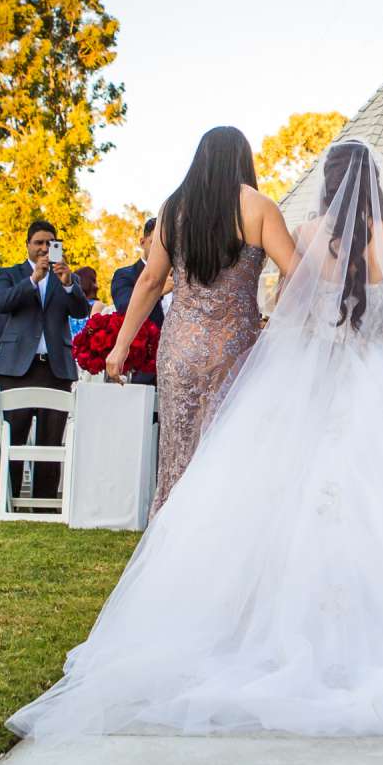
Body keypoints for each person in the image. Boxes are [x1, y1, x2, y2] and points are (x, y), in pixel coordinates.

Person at [11, 134, 383, 740]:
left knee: (286, 493)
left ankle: (268, 625)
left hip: (310, 369)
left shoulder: (302, 234)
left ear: (328, 186)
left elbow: (292, 305)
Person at [104, 127, 299, 514]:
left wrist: (121, 344)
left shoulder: (174, 208)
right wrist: (278, 324)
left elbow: (150, 281)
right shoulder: (259, 207)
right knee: (231, 451)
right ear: (242, 160)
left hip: (180, 349)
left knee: (179, 451)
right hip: (236, 351)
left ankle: (171, 537)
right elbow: (297, 270)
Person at [0, 220, 89, 502]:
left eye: (50, 243)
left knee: (51, 437)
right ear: (28, 245)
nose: (44, 248)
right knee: (14, 436)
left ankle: (44, 503)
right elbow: (2, 303)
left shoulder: (66, 277)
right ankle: (7, 501)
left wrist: (69, 283)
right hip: (17, 368)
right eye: (39, 243)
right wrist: (34, 278)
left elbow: (80, 311)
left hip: (55, 368)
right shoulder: (10, 274)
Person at [108, 218, 168, 328]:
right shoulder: (124, 275)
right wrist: (158, 291)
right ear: (142, 242)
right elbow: (124, 308)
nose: (162, 249)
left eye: (167, 244)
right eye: (155, 243)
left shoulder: (184, 277)